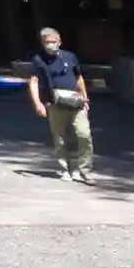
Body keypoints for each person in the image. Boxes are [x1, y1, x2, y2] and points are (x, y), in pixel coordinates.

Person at [28, 26, 93, 182]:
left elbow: (79, 78)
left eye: (53, 41)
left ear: (59, 42)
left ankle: (83, 169)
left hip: (76, 101)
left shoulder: (70, 57)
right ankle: (65, 169)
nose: (50, 45)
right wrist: (38, 103)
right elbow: (34, 81)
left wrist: (85, 98)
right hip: (54, 103)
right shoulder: (39, 60)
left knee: (84, 134)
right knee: (60, 138)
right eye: (47, 42)